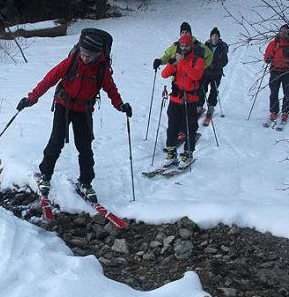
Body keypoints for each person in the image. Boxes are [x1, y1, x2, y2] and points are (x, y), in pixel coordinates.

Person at [16, 31, 131, 203]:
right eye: (83, 54)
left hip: (84, 110)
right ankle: (45, 175)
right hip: (64, 105)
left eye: (89, 56)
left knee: (85, 148)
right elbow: (50, 78)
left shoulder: (102, 69)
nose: (85, 58)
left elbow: (111, 89)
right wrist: (31, 98)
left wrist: (120, 105)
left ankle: (85, 182)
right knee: (56, 142)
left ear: (97, 55)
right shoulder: (71, 61)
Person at [159, 33, 205, 170]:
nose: (184, 48)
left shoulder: (198, 60)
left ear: (191, 46)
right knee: (172, 126)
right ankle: (171, 151)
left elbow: (196, 75)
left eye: (186, 46)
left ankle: (188, 153)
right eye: (182, 46)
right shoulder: (177, 59)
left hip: (190, 99)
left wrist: (182, 62)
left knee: (190, 127)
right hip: (175, 98)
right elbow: (164, 74)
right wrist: (173, 63)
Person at [154, 21, 213, 117]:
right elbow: (167, 56)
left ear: (191, 33)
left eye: (187, 32)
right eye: (182, 32)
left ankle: (191, 120)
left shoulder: (199, 45)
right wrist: (160, 61)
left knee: (192, 103)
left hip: (193, 79)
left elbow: (210, 56)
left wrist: (201, 67)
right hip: (177, 79)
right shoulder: (176, 45)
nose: (185, 34)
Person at [263, 23, 289, 124]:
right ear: (279, 32)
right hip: (275, 70)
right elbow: (267, 55)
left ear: (288, 33)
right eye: (282, 31)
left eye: (285, 32)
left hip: (286, 71)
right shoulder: (273, 43)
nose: (283, 33)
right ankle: (274, 111)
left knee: (288, 92)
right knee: (274, 92)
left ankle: (285, 112)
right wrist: (268, 59)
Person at [202, 27, 229, 127]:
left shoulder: (222, 47)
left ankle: (211, 106)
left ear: (219, 37)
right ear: (210, 37)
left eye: (216, 36)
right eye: (213, 35)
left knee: (214, 90)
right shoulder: (206, 46)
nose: (214, 37)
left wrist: (216, 65)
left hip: (216, 73)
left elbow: (225, 61)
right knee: (202, 89)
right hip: (206, 72)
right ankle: (200, 106)